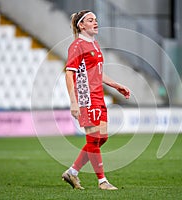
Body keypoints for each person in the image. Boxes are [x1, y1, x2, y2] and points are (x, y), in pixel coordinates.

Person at [62, 10, 130, 190]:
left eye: (96, 20)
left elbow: (97, 73)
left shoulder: (95, 44)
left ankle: (72, 172)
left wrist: (116, 85)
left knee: (102, 138)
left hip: (98, 95)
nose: (95, 22)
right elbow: (69, 74)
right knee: (93, 139)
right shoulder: (77, 46)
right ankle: (102, 181)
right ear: (81, 26)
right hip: (86, 97)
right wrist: (74, 101)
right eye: (90, 20)